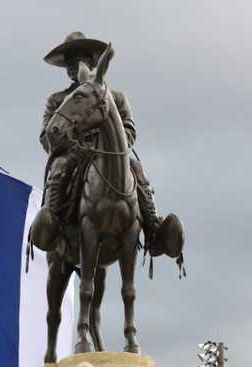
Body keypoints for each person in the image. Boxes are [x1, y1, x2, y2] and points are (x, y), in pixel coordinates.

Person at [33, 32, 160, 252]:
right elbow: (46, 138)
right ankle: (52, 225)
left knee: (137, 169)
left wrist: (110, 142)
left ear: (91, 63)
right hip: (73, 155)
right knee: (60, 167)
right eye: (68, 63)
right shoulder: (56, 100)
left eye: (78, 60)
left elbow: (129, 129)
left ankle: (153, 229)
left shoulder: (116, 98)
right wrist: (73, 143)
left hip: (108, 155)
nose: (73, 67)